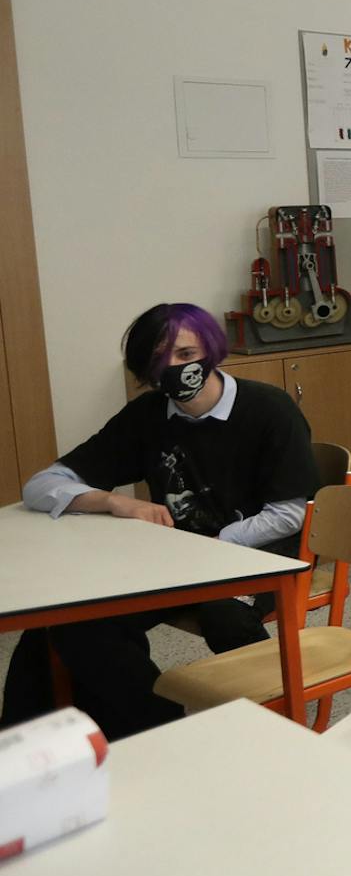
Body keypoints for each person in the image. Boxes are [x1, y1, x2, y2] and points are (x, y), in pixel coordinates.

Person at [1, 304, 316, 738]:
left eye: (186, 355)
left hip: (258, 557)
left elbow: (290, 512)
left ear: (211, 350)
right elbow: (43, 484)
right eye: (159, 361)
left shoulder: (269, 410)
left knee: (225, 615)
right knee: (75, 621)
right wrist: (115, 503)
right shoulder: (149, 416)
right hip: (173, 562)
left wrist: (214, 543)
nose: (176, 369)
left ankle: (273, 725)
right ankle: (154, 727)